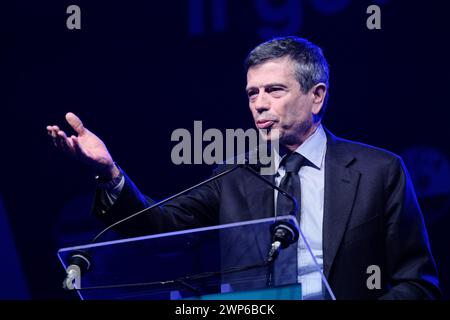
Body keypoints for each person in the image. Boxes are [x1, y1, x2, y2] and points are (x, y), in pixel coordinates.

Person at [47, 36, 440, 299]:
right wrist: (109, 173)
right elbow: (157, 226)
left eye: (274, 90)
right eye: (252, 93)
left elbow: (417, 282)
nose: (259, 104)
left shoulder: (379, 171)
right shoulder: (234, 174)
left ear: (316, 97)